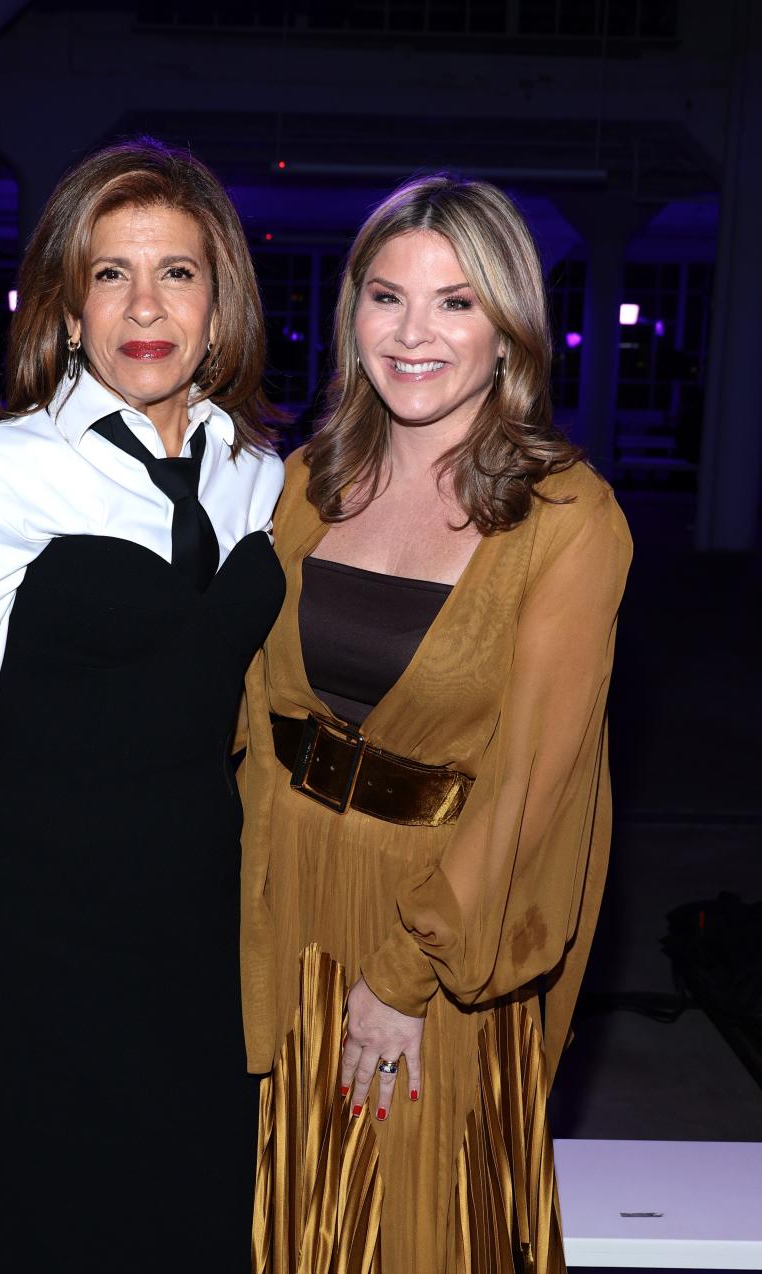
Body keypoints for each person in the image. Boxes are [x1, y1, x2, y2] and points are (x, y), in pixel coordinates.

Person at [0, 139, 285, 1271]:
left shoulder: (262, 476)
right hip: (35, 926)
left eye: (177, 272)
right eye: (110, 273)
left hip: (200, 925)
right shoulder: (0, 472)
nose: (146, 305)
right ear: (67, 305)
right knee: (44, 1222)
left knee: (198, 1219)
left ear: (219, 295)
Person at [237, 175, 632, 1272]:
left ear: (507, 331)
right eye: (386, 296)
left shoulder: (567, 517)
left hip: (441, 913)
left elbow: (532, 782)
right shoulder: (309, 481)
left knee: (422, 1223)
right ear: (351, 315)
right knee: (297, 1212)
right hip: (294, 883)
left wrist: (408, 975)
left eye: (455, 302)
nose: (414, 333)